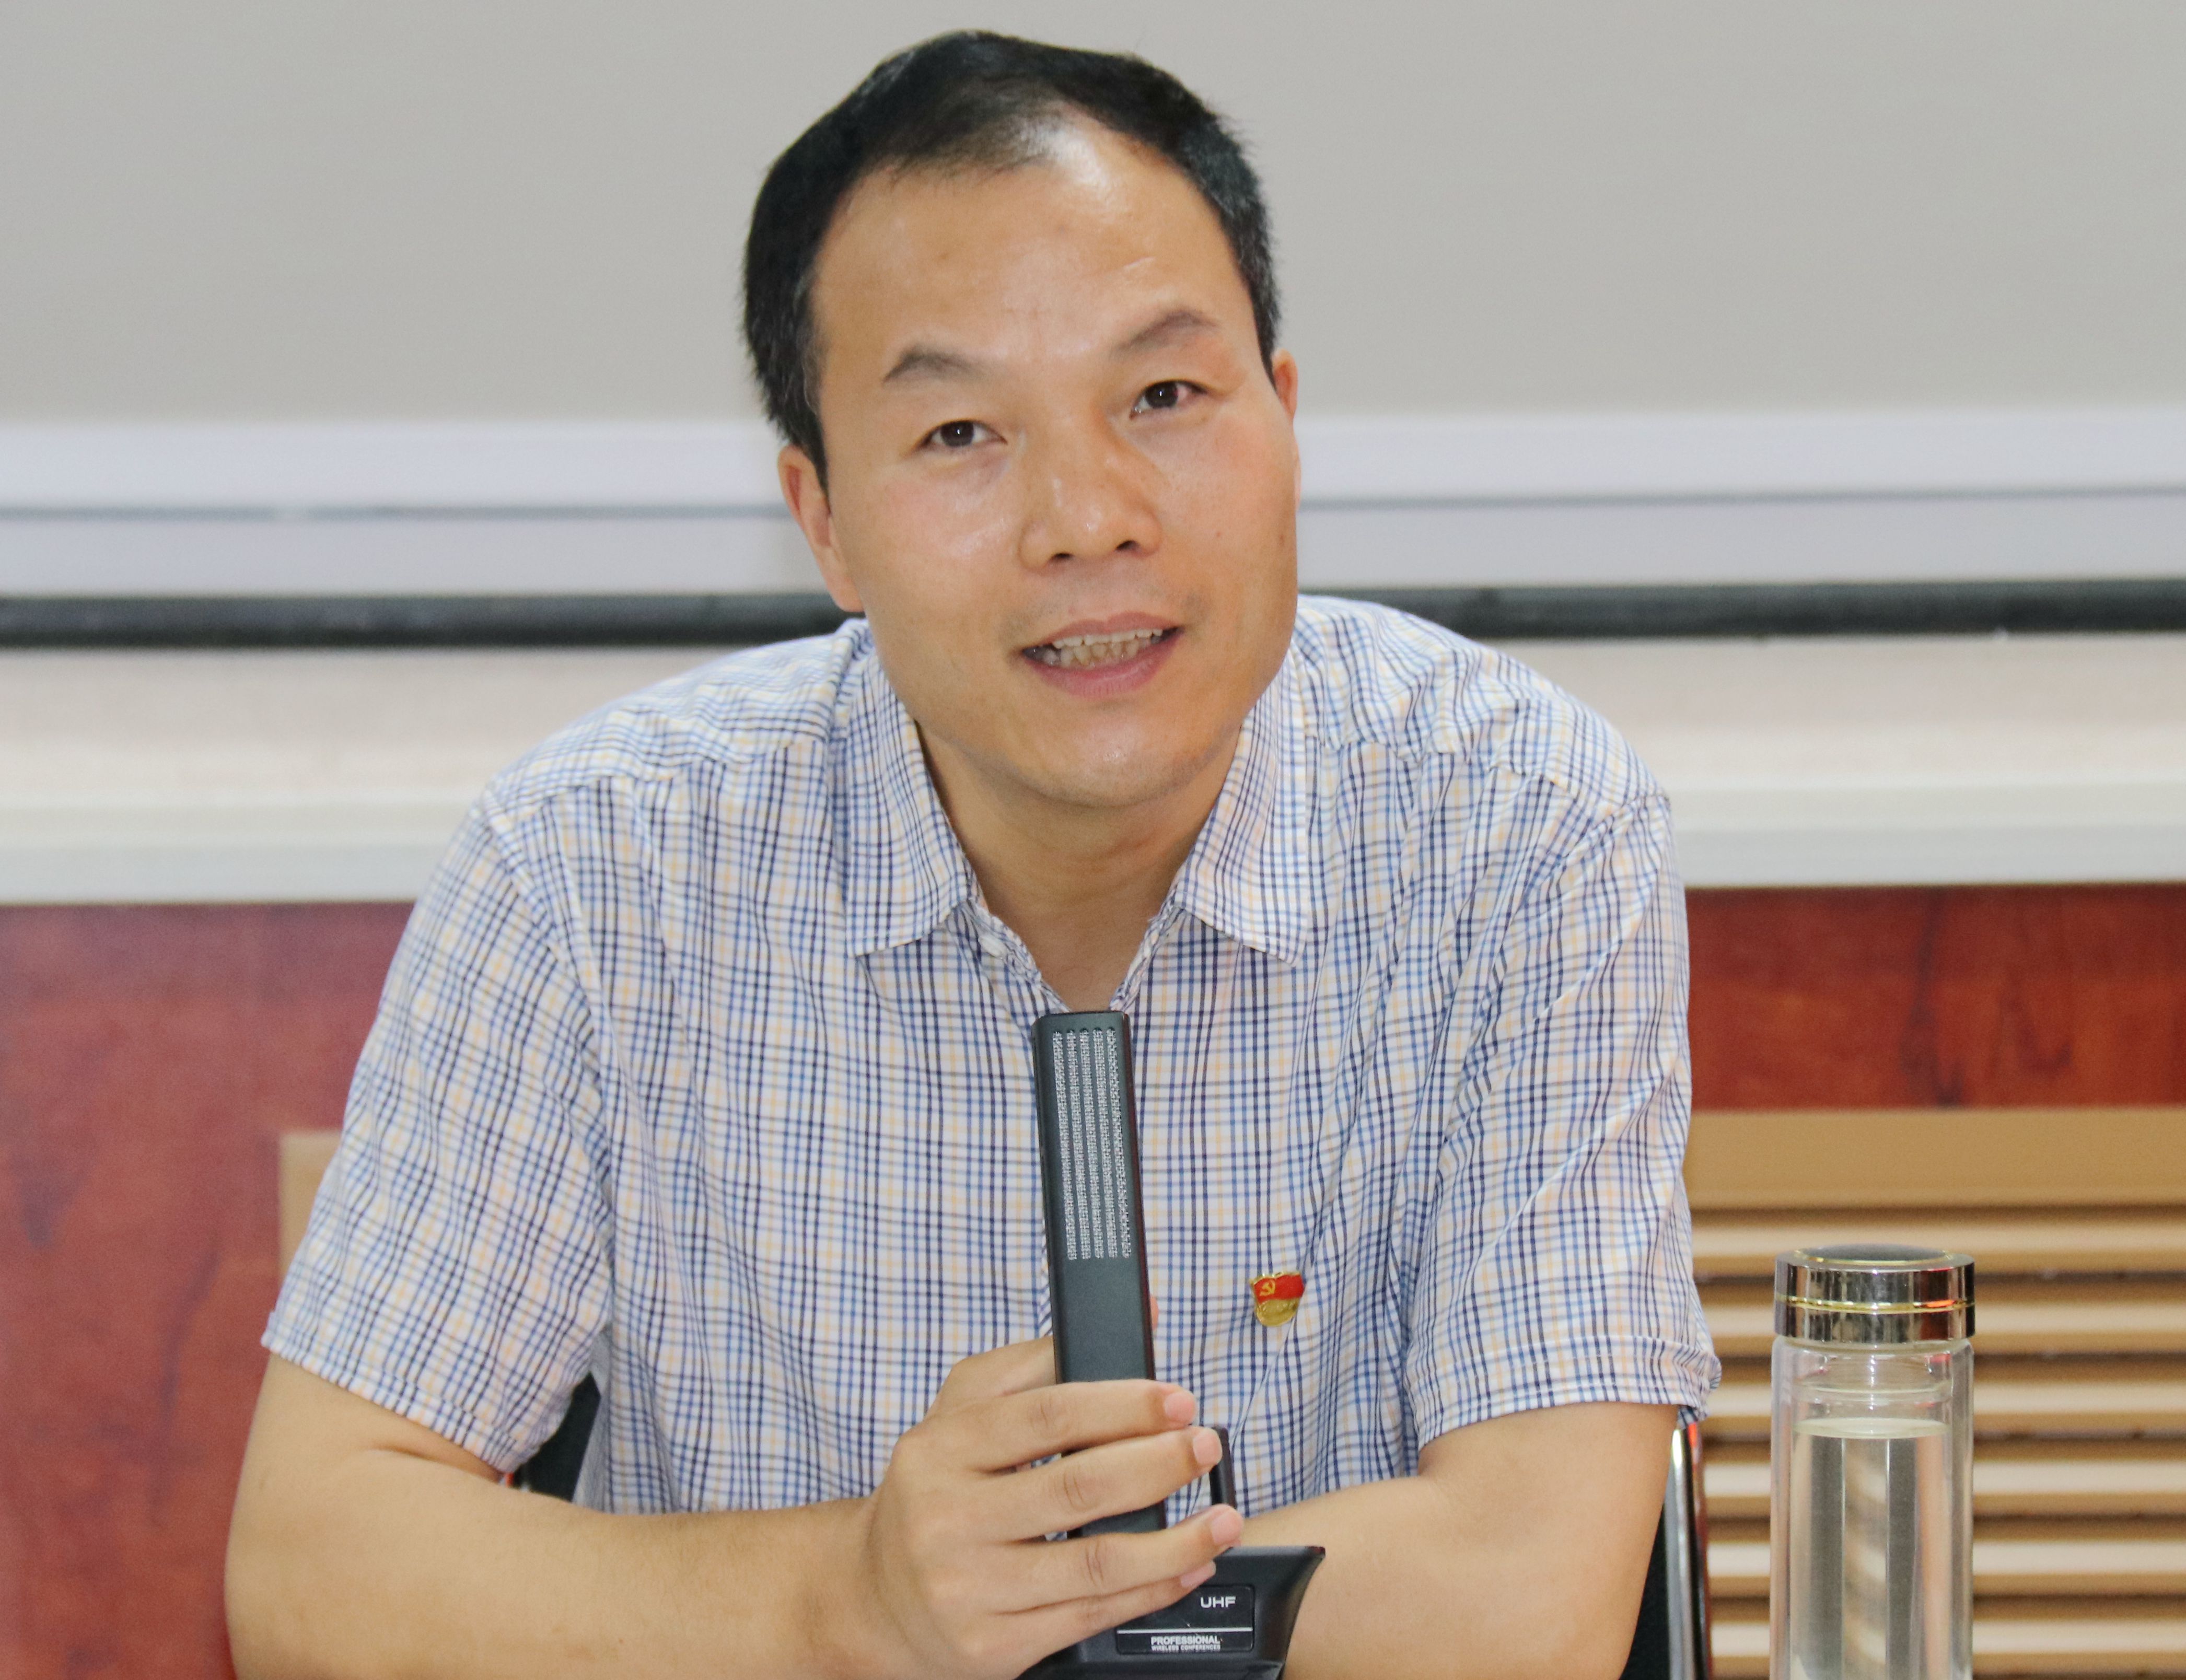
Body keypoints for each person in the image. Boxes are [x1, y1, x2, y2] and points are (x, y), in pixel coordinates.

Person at [226, 31, 1716, 1680]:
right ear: (825, 523)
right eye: (958, 435)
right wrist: (849, 1601)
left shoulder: (1519, 824)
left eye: (1164, 397)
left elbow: (1529, 1598)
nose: (1087, 518)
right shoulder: (596, 867)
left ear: (1287, 419)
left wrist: (1027, 1610)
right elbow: (313, 1565)